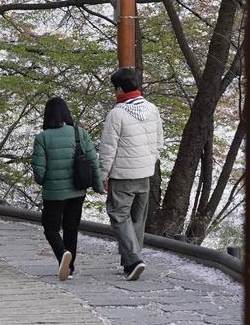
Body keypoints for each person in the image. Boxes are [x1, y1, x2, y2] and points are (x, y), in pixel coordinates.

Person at [96, 68, 164, 281]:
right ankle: (130, 262)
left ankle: (134, 260)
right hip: (145, 174)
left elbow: (108, 149)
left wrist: (103, 175)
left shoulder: (117, 113)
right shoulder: (152, 109)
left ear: (119, 88)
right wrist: (148, 163)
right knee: (137, 218)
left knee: (118, 216)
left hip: (122, 176)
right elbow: (159, 142)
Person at [31, 97, 105, 281]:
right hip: (77, 191)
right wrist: (98, 186)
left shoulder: (42, 138)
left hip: (54, 192)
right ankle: (69, 267)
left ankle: (62, 253)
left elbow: (39, 172)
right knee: (71, 228)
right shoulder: (79, 133)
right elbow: (93, 162)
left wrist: (42, 180)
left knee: (50, 228)